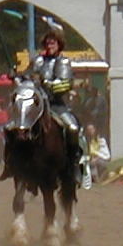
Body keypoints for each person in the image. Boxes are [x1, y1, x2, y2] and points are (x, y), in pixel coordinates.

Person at [28, 30, 85, 183]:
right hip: (37, 105)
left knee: (73, 128)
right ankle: (16, 164)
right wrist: (18, 78)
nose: (49, 45)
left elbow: (65, 84)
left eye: (52, 42)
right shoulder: (38, 61)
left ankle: (73, 164)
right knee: (17, 126)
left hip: (56, 105)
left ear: (59, 44)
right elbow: (28, 78)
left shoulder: (63, 62)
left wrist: (47, 84)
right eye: (47, 42)